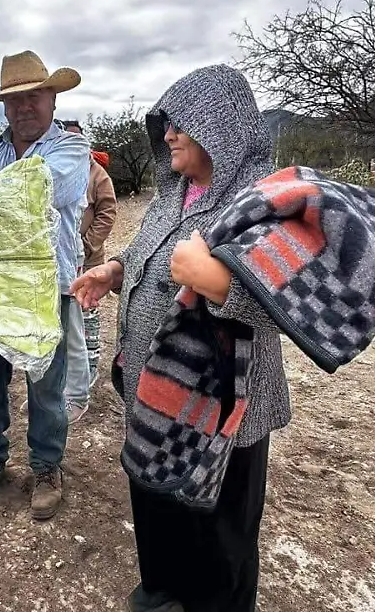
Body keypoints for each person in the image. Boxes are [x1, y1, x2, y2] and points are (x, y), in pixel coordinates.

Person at [71, 65, 287, 611]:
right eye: (164, 122)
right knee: (157, 503)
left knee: (220, 536)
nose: (167, 133)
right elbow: (149, 257)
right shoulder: (175, 194)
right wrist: (113, 271)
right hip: (155, 396)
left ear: (219, 126)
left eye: (180, 122)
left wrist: (210, 277)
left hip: (222, 411)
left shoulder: (259, 201)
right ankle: (162, 591)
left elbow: (278, 305)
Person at [0, 51, 89, 521]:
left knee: (45, 384)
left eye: (33, 96)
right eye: (13, 100)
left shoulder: (71, 149)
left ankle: (46, 467)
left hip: (45, 289)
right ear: (3, 107)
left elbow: (43, 194)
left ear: (52, 98)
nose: (23, 107)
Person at [59, 120, 116, 424]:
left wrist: (87, 242)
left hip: (90, 261)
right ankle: (68, 379)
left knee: (88, 316)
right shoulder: (56, 168)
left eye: (76, 142)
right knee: (67, 321)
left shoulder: (97, 173)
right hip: (62, 263)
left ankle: (89, 373)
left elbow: (108, 212)